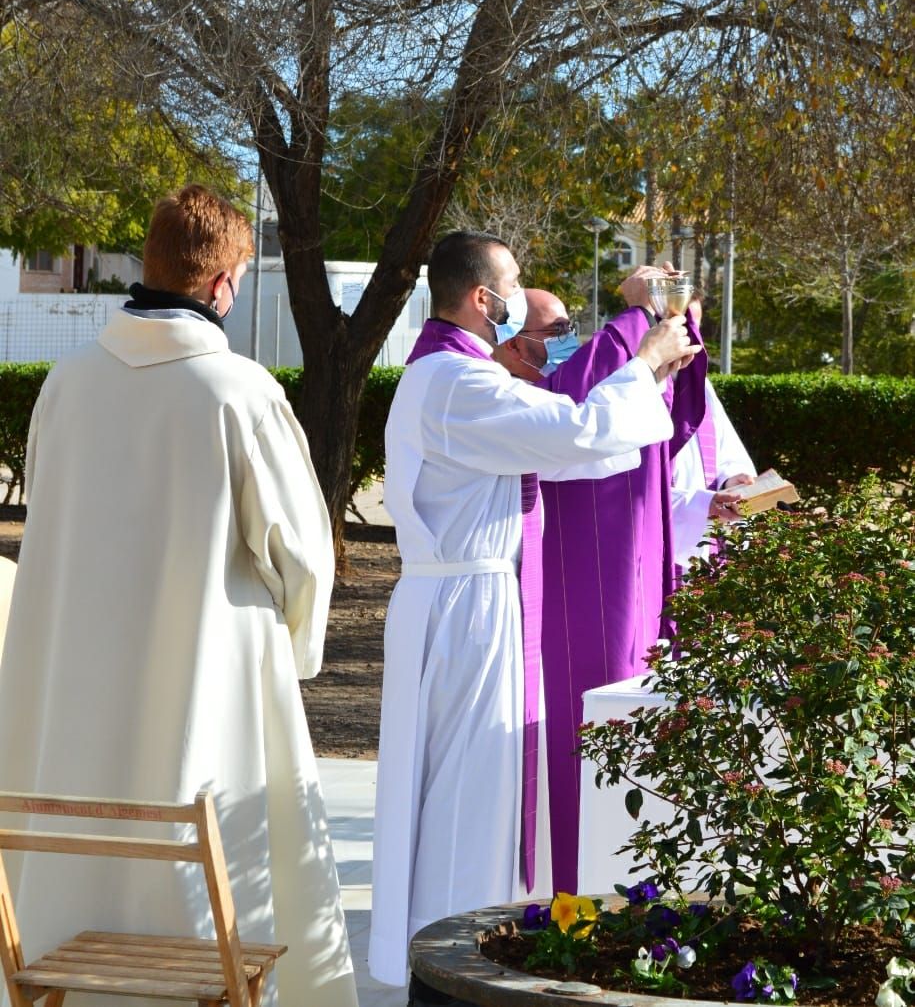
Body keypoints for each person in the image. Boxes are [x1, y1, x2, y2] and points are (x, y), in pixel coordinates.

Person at [0, 184, 357, 1007]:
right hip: (211, 671)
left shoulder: (66, 383)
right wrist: (293, 652)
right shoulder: (237, 390)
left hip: (72, 673)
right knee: (219, 858)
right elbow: (301, 554)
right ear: (223, 283)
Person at [368, 231, 698, 994]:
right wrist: (640, 358)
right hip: (465, 609)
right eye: (513, 282)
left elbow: (570, 451)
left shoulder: (463, 375)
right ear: (483, 298)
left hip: (474, 603)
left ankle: (460, 959)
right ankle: (448, 973)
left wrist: (647, 379)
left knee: (478, 794)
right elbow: (575, 431)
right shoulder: (454, 380)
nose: (522, 297)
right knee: (464, 797)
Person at [535, 265, 742, 894]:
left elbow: (692, 480)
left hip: (677, 575)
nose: (684, 339)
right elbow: (604, 454)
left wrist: (724, 493)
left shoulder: (682, 394)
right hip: (622, 578)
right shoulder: (584, 390)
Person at [670, 291, 755, 571]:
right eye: (683, 325)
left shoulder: (701, 386)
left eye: (696, 325)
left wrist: (732, 479)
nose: (692, 336)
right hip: (662, 544)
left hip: (704, 538)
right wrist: (698, 504)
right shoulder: (632, 385)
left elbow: (726, 452)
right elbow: (632, 489)